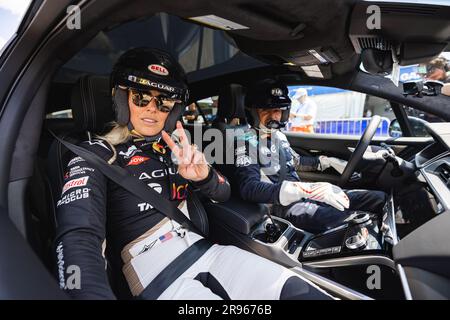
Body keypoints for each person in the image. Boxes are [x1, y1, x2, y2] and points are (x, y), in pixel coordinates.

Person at [54, 48, 332, 300]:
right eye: (141, 98)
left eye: (163, 102)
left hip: (206, 249)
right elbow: (79, 237)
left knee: (298, 291)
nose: (152, 108)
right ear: (122, 99)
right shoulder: (96, 154)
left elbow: (223, 193)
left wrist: (204, 178)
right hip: (155, 274)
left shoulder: (177, 145)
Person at [233, 79, 387, 234]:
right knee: (358, 222)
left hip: (303, 197)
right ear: (253, 114)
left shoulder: (279, 136)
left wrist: (325, 162)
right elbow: (249, 187)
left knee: (378, 198)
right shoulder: (245, 142)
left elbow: (295, 161)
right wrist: (302, 189)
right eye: (266, 111)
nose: (274, 117)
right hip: (281, 206)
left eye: (278, 111)